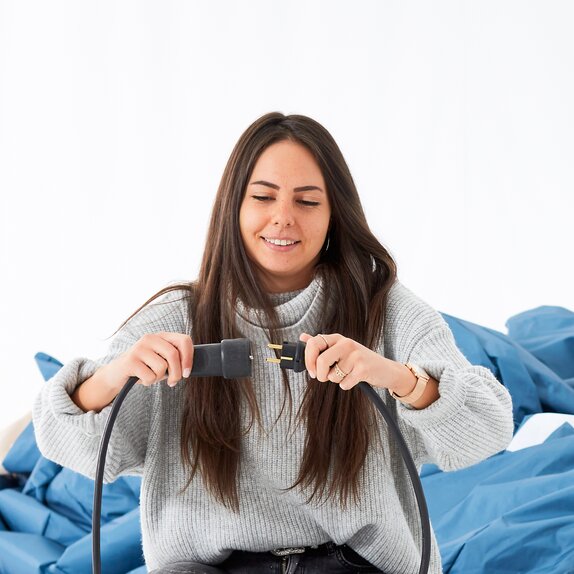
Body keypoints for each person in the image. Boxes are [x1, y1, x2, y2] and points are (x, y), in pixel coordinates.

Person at [33, 112, 514, 574]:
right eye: (263, 197)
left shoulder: (384, 309)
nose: (283, 218)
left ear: (334, 215)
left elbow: (489, 428)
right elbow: (61, 439)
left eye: (307, 202)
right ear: (233, 207)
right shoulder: (176, 316)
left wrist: (391, 376)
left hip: (352, 563)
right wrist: (115, 375)